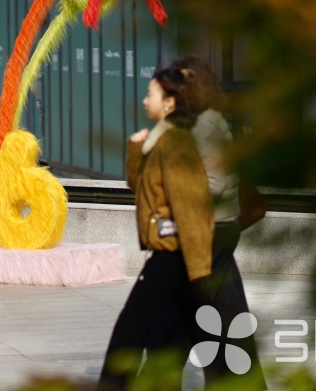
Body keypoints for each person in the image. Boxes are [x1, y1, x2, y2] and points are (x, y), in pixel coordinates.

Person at [147, 54, 265, 389]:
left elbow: (211, 184)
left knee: (183, 318)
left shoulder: (202, 124)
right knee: (205, 316)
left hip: (203, 233)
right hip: (210, 233)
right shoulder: (201, 121)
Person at [98, 66, 215, 391]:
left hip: (173, 252)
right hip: (172, 251)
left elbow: (190, 208)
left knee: (131, 326)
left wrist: (198, 266)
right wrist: (136, 150)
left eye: (151, 93)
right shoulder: (161, 140)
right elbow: (140, 187)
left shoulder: (175, 144)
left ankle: (112, 385)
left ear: (169, 103)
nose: (144, 99)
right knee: (199, 328)